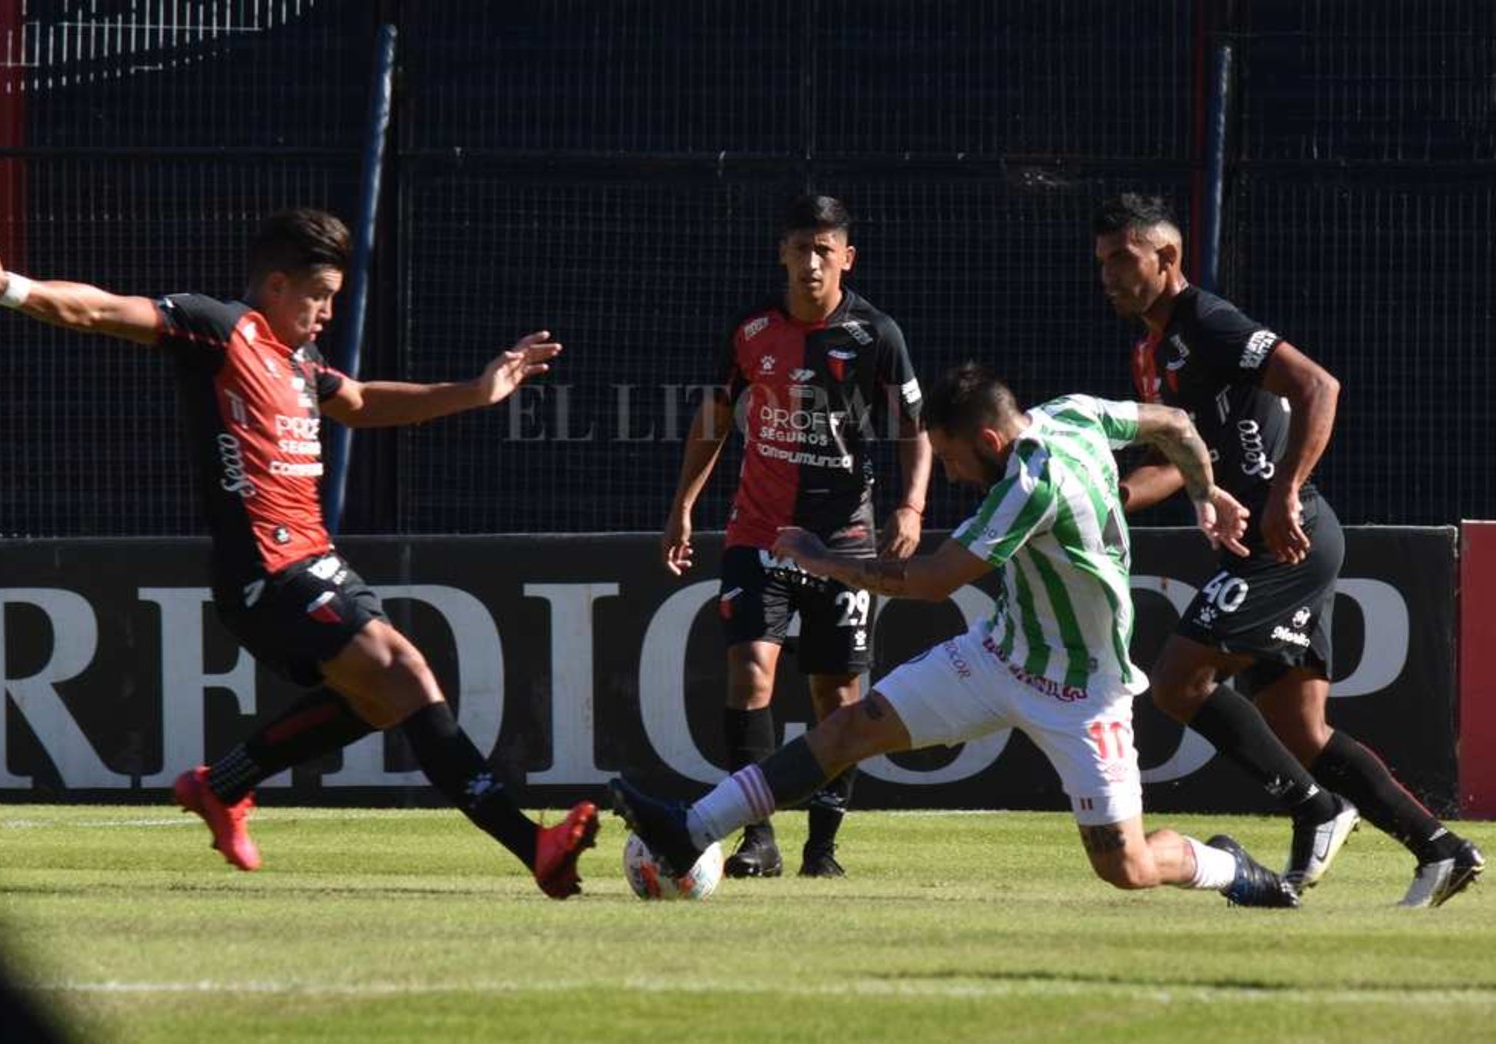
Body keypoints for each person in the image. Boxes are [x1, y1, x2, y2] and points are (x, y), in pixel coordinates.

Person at [0, 210, 599, 899]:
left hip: (320, 561)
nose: (328, 313)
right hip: (265, 573)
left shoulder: (301, 361)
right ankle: (533, 845)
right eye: (319, 296)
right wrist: (7, 285)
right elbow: (100, 310)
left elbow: (363, 401)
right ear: (276, 285)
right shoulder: (219, 329)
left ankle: (220, 786)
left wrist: (476, 391)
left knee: (374, 702)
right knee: (403, 670)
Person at [613, 363, 1300, 908]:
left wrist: (820, 561)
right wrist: (1206, 493)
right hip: (996, 655)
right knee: (850, 729)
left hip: (1081, 693)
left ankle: (1226, 866)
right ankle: (690, 828)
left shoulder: (1029, 483)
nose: (947, 475)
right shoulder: (1075, 413)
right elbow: (1175, 425)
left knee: (1125, 867)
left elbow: (935, 580)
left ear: (990, 443)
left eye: (949, 458)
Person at [1093, 192, 1484, 908]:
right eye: (1102, 263)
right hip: (1264, 541)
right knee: (1299, 728)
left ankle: (1315, 809)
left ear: (1167, 257)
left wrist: (1282, 491)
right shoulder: (1150, 353)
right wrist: (1110, 497)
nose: (1109, 276)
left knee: (1178, 680)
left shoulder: (1205, 322)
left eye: (1123, 259)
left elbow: (1316, 385)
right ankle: (1440, 847)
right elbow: (1185, 457)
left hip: (1290, 536)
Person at [661, 194, 932, 879]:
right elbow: (715, 419)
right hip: (760, 534)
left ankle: (823, 847)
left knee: (835, 698)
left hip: (844, 541)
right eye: (799, 250)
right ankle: (757, 837)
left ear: (847, 258)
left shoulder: (876, 334)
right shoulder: (750, 330)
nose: (811, 264)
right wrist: (682, 504)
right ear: (780, 254)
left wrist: (912, 507)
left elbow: (916, 429)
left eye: (824, 250)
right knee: (749, 672)